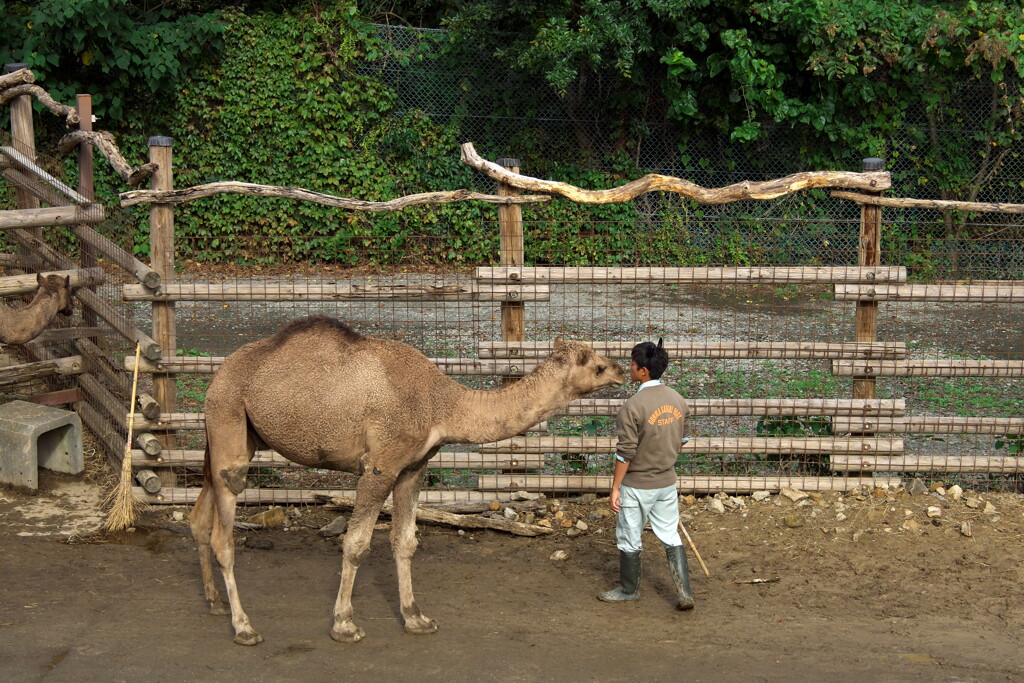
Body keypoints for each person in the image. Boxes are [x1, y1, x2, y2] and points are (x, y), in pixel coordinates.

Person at [598, 338, 694, 610]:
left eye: (632, 364)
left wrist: (615, 487)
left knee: (630, 535)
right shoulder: (678, 400)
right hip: (666, 482)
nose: (629, 367)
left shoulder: (632, 406)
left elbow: (624, 453)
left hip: (638, 485)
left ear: (642, 371)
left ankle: (629, 590)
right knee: (670, 535)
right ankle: (684, 591)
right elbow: (683, 439)